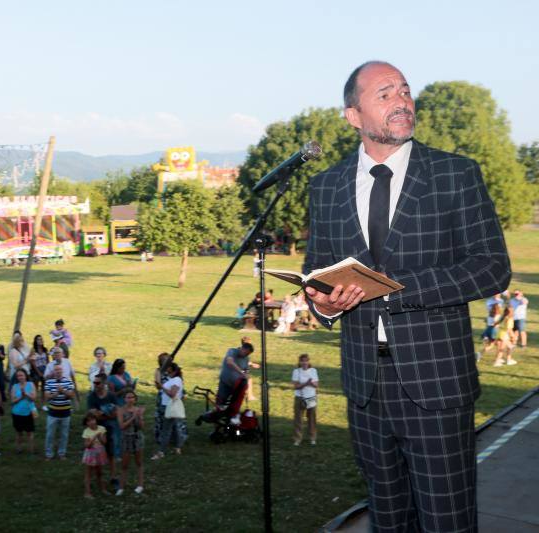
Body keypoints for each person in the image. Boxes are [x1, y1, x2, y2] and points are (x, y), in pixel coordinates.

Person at [303, 61, 511, 531]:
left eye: (404, 90)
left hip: (438, 385)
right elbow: (315, 275)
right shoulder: (326, 186)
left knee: (447, 521)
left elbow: (493, 267)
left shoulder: (455, 174)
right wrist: (324, 304)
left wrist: (397, 292)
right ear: (353, 116)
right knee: (388, 521)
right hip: (364, 388)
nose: (400, 101)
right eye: (384, 94)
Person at [87, 372, 120, 491]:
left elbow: (116, 412)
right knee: (95, 454)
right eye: (94, 382)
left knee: (111, 454)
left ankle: (113, 477)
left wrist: (102, 414)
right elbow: (93, 415)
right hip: (96, 430)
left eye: (97, 382)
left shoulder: (111, 396)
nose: (95, 384)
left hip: (110, 428)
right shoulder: (91, 396)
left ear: (104, 383)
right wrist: (107, 414)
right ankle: (95, 479)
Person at [151, 362, 186, 460]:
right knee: (175, 428)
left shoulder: (177, 380)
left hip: (169, 407)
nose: (167, 370)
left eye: (169, 368)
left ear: (173, 370)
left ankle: (161, 452)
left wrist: (162, 387)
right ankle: (177, 448)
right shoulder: (173, 379)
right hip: (168, 406)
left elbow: (172, 394)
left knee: (166, 430)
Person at [216, 342, 254, 425]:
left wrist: (246, 376)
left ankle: (230, 421)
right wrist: (241, 372)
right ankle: (218, 422)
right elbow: (230, 362)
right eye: (245, 353)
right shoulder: (232, 351)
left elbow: (246, 371)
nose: (245, 355)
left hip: (236, 386)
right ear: (242, 348)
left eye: (248, 354)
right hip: (225, 383)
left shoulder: (246, 358)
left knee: (233, 405)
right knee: (221, 403)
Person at [117, 390, 145, 496]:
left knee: (139, 462)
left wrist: (140, 416)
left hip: (137, 437)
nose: (130, 399)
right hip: (126, 438)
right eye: (127, 397)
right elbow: (122, 426)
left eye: (132, 397)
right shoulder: (120, 410)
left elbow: (142, 427)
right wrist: (133, 416)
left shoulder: (138, 410)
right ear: (124, 399)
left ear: (135, 399)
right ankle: (121, 487)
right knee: (124, 464)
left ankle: (140, 485)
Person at [44, 364, 74, 460]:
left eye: (60, 370)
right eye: (56, 370)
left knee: (64, 434)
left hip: (65, 412)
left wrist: (63, 391)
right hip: (53, 412)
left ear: (63, 371)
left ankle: (62, 453)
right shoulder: (49, 382)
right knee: (50, 434)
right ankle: (49, 454)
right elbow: (47, 397)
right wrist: (57, 392)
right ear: (53, 372)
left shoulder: (68, 381)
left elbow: (71, 395)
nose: (58, 371)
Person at [291, 354, 319, 446]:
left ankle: (312, 437)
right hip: (300, 397)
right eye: (302, 361)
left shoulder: (313, 371)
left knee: (311, 418)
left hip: (311, 396)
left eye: (306, 360)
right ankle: (297, 439)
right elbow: (296, 386)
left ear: (309, 361)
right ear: (299, 362)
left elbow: (316, 385)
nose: (304, 363)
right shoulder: (296, 371)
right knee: (298, 419)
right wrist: (307, 383)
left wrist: (309, 383)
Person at [81, 410, 108, 499]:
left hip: (100, 452)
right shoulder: (86, 431)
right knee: (88, 473)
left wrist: (99, 437)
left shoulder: (102, 428)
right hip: (90, 453)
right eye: (88, 421)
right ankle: (87, 492)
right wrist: (92, 439)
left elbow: (104, 442)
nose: (91, 422)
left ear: (96, 420)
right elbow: (87, 446)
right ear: (86, 423)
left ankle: (103, 489)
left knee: (100, 472)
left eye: (92, 419)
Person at [10, 368, 36, 454]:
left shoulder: (31, 384)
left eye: (21, 375)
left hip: (29, 412)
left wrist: (26, 394)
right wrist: (21, 397)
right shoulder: (14, 386)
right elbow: (12, 401)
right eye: (18, 376)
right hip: (17, 413)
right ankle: (18, 449)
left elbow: (34, 398)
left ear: (25, 376)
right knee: (18, 432)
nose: (20, 377)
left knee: (30, 432)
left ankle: (31, 450)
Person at [29, 334, 49, 400]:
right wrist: (39, 372)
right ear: (35, 341)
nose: (40, 340)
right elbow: (32, 362)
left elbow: (47, 360)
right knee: (36, 384)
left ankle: (43, 400)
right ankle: (34, 399)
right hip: (36, 369)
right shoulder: (33, 350)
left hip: (45, 369)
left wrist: (47, 370)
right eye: (38, 339)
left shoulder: (45, 350)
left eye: (41, 339)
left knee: (44, 385)